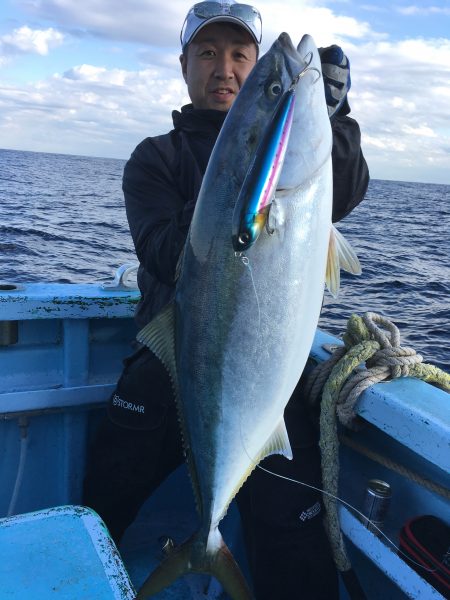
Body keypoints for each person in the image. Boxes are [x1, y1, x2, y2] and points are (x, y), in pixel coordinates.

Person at [83, 2, 370, 599]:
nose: (226, 68)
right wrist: (236, 168)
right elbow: (163, 251)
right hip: (168, 362)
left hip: (267, 374)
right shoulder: (155, 158)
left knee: (297, 539)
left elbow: (339, 190)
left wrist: (334, 117)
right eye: (208, 53)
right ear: (184, 64)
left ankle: (224, 553)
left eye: (242, 55)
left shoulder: (288, 148)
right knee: (101, 497)